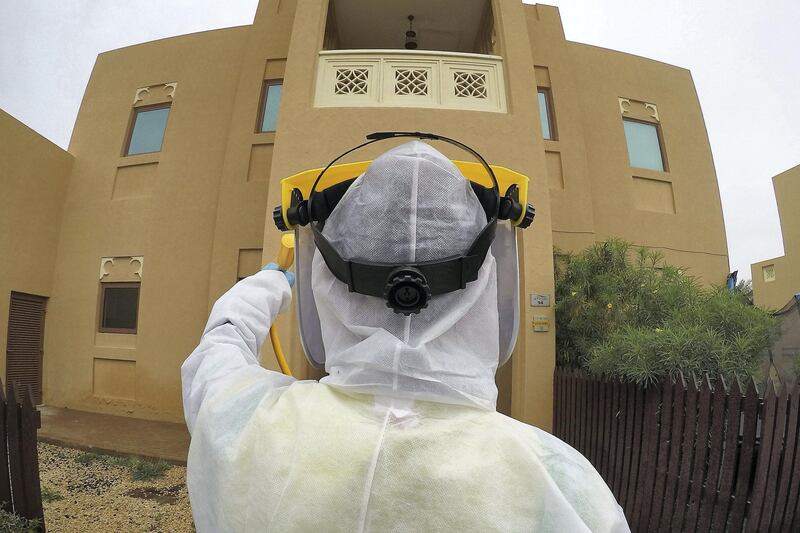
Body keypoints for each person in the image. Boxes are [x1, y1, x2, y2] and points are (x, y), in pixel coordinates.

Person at [182, 141, 630, 532]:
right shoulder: (565, 489)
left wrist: (269, 285)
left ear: (327, 282)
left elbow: (219, 347)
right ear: (484, 287)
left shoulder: (243, 425)